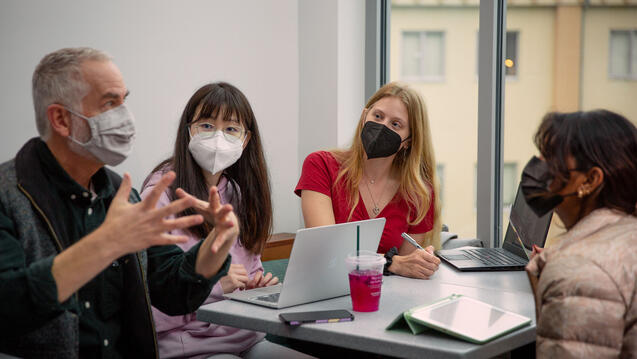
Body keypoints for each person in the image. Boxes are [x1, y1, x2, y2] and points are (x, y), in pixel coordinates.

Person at [0, 47, 238, 358]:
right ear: (61, 118)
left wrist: (216, 246)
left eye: (124, 101)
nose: (125, 117)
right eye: (110, 103)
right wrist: (105, 244)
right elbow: (8, 306)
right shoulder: (8, 194)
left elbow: (173, 292)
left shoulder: (118, 192)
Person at [143, 83, 308, 358]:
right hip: (190, 346)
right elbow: (152, 306)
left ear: (245, 140)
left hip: (247, 338)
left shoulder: (237, 193)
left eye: (231, 128)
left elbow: (250, 269)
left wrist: (253, 287)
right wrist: (217, 286)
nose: (218, 136)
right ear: (188, 131)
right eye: (206, 125)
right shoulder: (159, 196)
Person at [295, 82, 442, 279]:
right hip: (326, 291)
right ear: (365, 116)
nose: (382, 127)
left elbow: (407, 268)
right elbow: (326, 250)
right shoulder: (321, 165)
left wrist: (421, 263)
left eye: (395, 124)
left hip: (384, 297)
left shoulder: (419, 192)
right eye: (378, 116)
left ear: (409, 142)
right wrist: (390, 262)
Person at [522, 110, 637, 357]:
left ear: (590, 180)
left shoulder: (577, 272)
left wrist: (563, 267)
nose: (539, 167)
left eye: (552, 160)